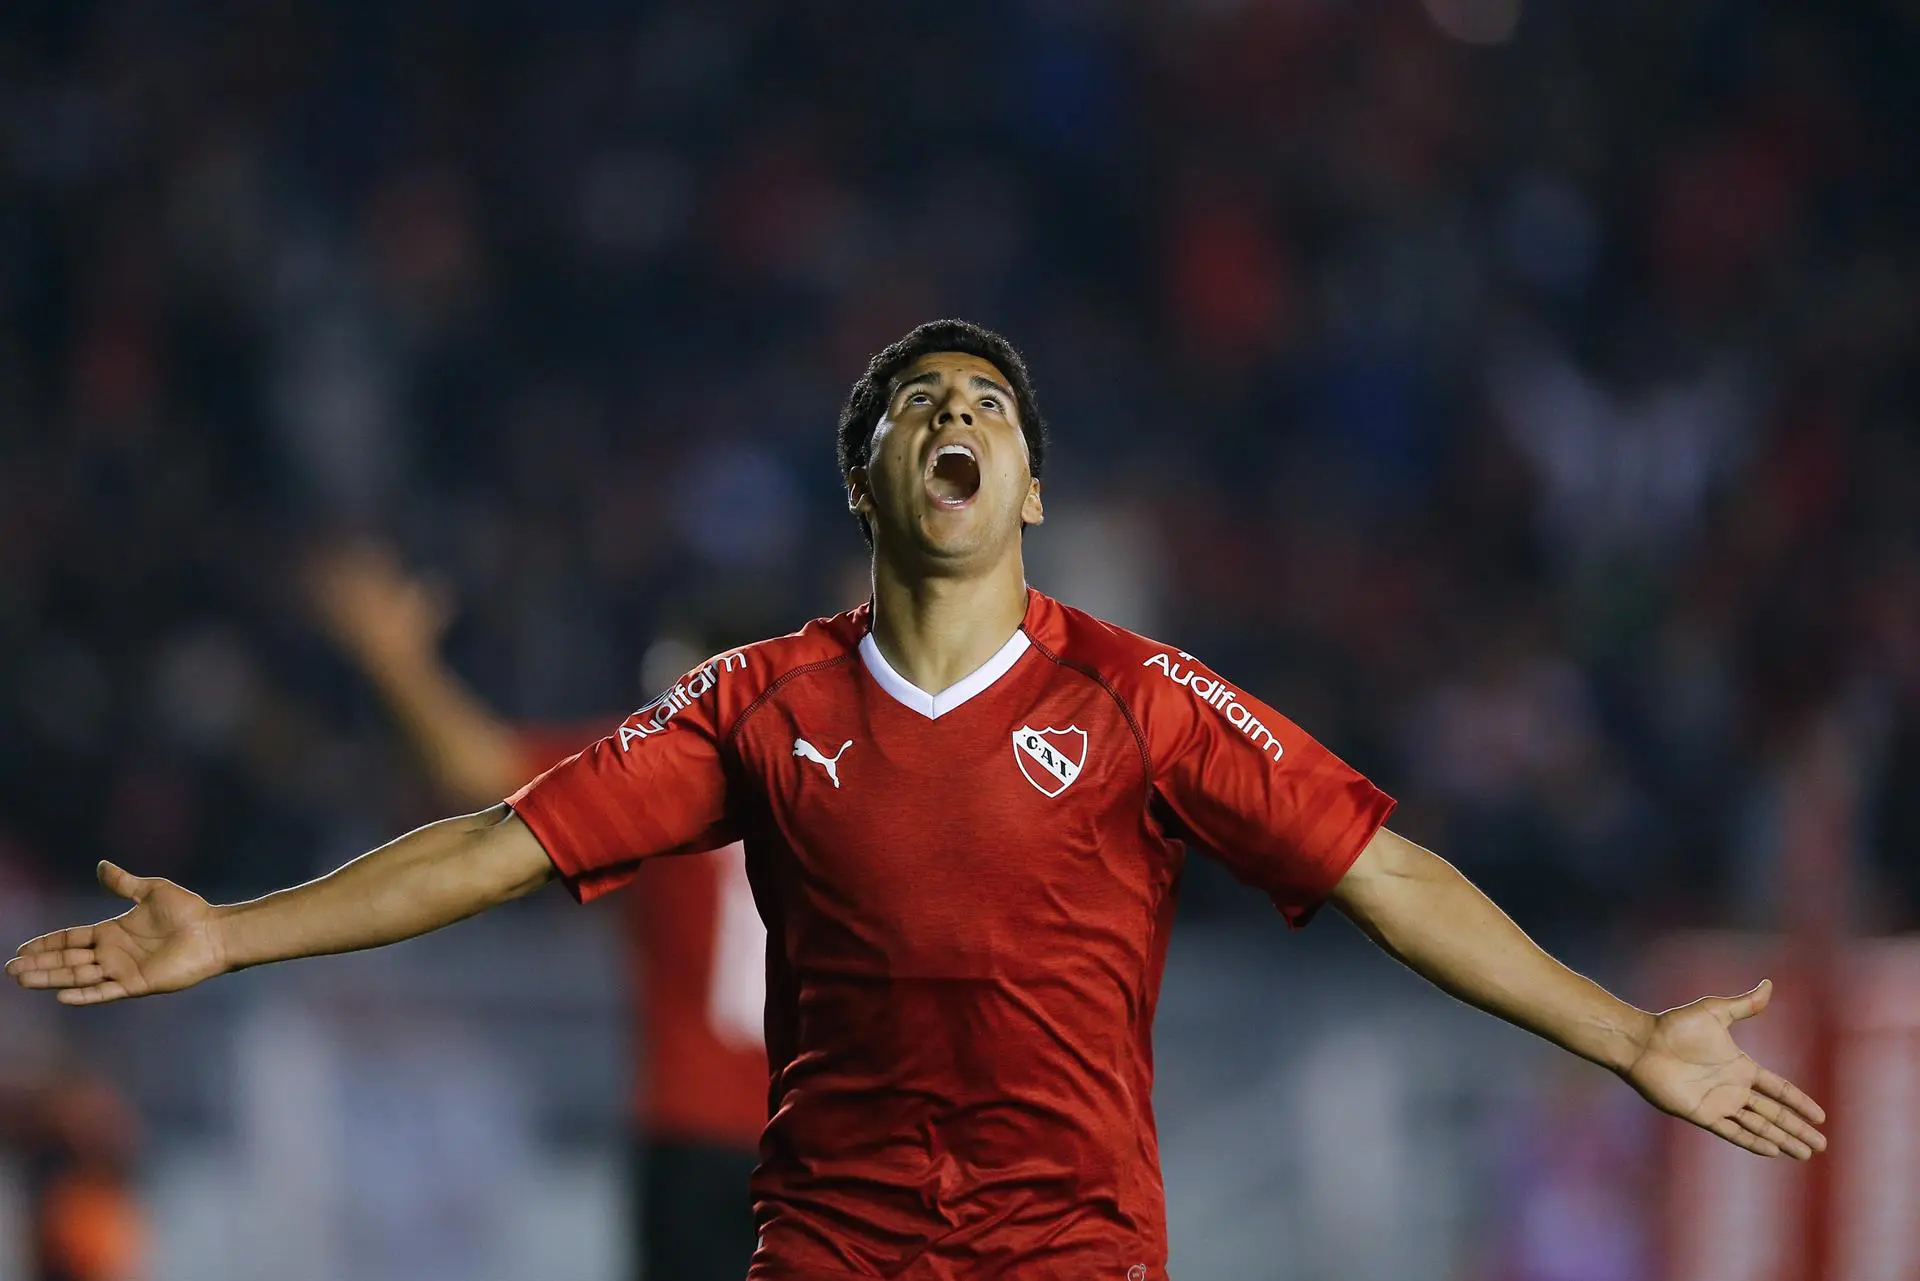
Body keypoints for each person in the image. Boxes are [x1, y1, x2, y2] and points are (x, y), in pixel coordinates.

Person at [9, 320, 1828, 1280]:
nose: (956, 415)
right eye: (916, 405)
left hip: (1069, 1248)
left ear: (1027, 487)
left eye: (990, 406)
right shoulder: (758, 700)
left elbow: (1383, 871)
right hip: (831, 1242)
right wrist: (234, 931)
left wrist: (1627, 1038)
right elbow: (500, 839)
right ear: (874, 485)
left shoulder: (1139, 695)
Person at [303, 546, 765, 1281]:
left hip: (693, 1126)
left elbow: (480, 768)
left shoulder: (664, 769)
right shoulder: (847, 775)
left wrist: (395, 661)